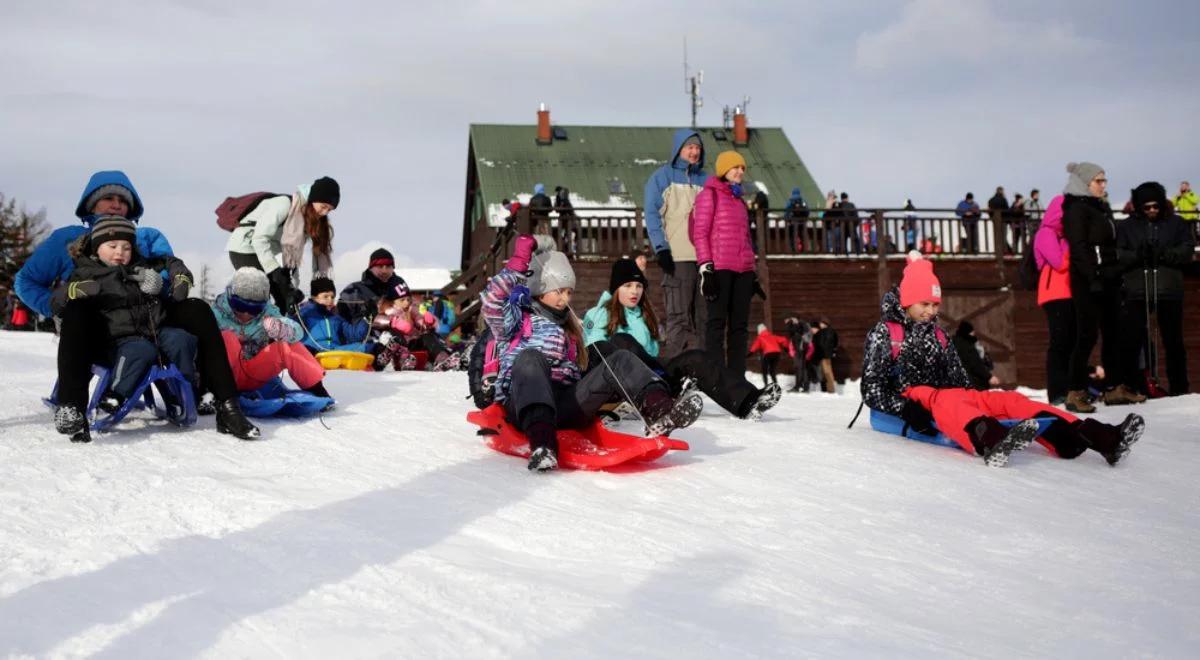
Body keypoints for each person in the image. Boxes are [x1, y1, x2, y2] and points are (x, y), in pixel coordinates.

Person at [14, 170, 258, 441]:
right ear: (90, 204)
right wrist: (57, 310)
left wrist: (161, 285)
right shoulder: (66, 239)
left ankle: (227, 406)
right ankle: (72, 407)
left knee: (197, 308)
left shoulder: (147, 237)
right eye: (107, 197)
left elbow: (171, 279)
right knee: (78, 310)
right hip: (95, 328)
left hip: (147, 320)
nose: (116, 204)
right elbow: (26, 282)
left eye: (123, 199)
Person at [861, 252, 1144, 467]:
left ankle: (1086, 435)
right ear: (907, 301)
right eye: (925, 304)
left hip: (951, 398)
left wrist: (984, 402)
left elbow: (961, 381)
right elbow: (871, 388)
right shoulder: (886, 333)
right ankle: (988, 438)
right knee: (947, 400)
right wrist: (907, 409)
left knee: (1008, 400)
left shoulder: (939, 335)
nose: (931, 311)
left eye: (935, 305)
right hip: (915, 398)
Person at [482, 236, 702, 472]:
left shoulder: (569, 327)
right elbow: (493, 300)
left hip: (565, 406)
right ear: (539, 289)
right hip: (524, 405)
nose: (565, 299)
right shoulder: (516, 321)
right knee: (531, 358)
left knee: (620, 359)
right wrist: (518, 263)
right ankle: (543, 446)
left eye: (568, 292)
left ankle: (660, 411)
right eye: (558, 291)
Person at [51, 217, 198, 437]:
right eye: (112, 246)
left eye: (126, 247)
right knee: (140, 350)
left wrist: (180, 278)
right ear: (95, 248)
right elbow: (56, 301)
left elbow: (170, 261)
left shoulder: (140, 266)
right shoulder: (86, 272)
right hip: (118, 338)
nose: (120, 252)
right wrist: (74, 291)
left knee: (181, 338)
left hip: (155, 330)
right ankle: (114, 395)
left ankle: (185, 392)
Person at [582, 258, 781, 421]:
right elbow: (596, 352)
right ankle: (659, 394)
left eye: (638, 285)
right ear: (616, 288)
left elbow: (651, 354)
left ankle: (748, 402)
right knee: (621, 341)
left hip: (654, 375)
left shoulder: (642, 315)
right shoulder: (599, 313)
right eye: (627, 286)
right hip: (624, 382)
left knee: (696, 358)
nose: (635, 291)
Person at [1061, 162, 1130, 412]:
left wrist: (1114, 271)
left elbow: (1108, 245)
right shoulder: (1076, 209)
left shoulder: (1100, 207)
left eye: (1104, 180)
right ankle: (1075, 391)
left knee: (1114, 332)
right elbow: (1079, 247)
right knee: (1087, 335)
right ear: (1084, 182)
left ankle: (1114, 388)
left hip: (1108, 277)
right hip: (1088, 281)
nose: (1103, 185)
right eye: (1098, 181)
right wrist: (1093, 277)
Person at [1115, 181, 1194, 396]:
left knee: (1173, 341)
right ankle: (1134, 385)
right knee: (1133, 340)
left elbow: (1187, 249)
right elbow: (1118, 254)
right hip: (1137, 289)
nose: (1152, 211)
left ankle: (1180, 388)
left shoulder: (1176, 223)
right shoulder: (1127, 226)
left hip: (1168, 289)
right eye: (1147, 207)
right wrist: (1138, 255)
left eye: (1155, 206)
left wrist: (1166, 254)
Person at [213, 268, 334, 407]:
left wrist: (282, 329)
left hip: (254, 371)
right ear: (230, 297)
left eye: (254, 309)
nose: (246, 314)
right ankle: (215, 396)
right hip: (224, 376)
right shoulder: (216, 314)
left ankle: (317, 389)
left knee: (287, 346)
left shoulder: (268, 313)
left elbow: (297, 331)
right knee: (227, 338)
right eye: (240, 306)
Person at [690, 150, 759, 376]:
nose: (740, 171)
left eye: (742, 168)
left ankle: (737, 379)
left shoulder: (739, 201)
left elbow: (747, 239)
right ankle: (717, 377)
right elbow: (700, 233)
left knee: (739, 327)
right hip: (720, 269)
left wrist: (753, 272)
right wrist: (706, 268)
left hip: (743, 271)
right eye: (735, 167)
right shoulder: (709, 195)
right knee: (716, 323)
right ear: (723, 170)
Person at [226, 176, 340, 311]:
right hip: (245, 246)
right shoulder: (284, 205)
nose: (325, 212)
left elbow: (294, 258)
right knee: (259, 293)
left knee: (285, 300)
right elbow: (259, 238)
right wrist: (274, 270)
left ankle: (276, 329)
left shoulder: (308, 219)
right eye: (324, 206)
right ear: (314, 198)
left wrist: (292, 288)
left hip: (267, 251)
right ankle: (253, 328)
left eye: (329, 210)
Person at [643, 130, 708, 359]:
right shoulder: (662, 178)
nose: (694, 151)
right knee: (678, 317)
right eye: (689, 147)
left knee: (704, 318)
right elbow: (652, 215)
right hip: (677, 257)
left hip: (705, 259)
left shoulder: (707, 181)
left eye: (697, 147)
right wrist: (661, 248)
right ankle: (674, 371)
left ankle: (704, 372)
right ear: (679, 149)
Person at [1032, 195, 1075, 405]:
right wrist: (1072, 246)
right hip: (1054, 295)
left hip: (1070, 293)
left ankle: (1071, 389)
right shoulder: (1045, 233)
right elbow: (1058, 262)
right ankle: (1057, 392)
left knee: (1071, 342)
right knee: (1059, 343)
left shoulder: (1064, 235)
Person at [372, 281, 454, 371]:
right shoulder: (387, 312)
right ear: (392, 302)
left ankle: (441, 358)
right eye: (402, 300)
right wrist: (393, 322)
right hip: (396, 347)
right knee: (394, 334)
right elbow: (375, 320)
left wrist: (426, 322)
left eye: (408, 299)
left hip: (411, 344)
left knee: (428, 336)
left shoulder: (412, 311)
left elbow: (419, 321)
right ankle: (401, 359)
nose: (406, 302)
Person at [296, 277, 370, 354]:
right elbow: (290, 328)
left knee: (364, 346)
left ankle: (380, 355)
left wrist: (366, 318)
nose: (330, 300)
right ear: (314, 297)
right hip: (312, 351)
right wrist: (292, 312)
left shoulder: (336, 318)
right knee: (306, 349)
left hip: (333, 352)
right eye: (325, 296)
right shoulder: (305, 313)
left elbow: (354, 335)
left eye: (332, 297)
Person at [336, 248, 409, 323]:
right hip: (364, 333)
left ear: (393, 268)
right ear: (371, 268)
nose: (384, 271)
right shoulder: (354, 290)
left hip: (400, 333)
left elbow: (411, 310)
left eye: (388, 266)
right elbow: (340, 320)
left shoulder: (399, 286)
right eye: (380, 266)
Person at [952, 321, 999, 390]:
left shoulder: (952, 344)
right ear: (968, 332)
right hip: (973, 384)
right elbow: (975, 364)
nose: (974, 333)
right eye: (972, 331)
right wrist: (989, 377)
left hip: (956, 384)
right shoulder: (967, 346)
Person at [749, 324, 787, 388]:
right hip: (777, 353)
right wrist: (786, 348)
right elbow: (784, 339)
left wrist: (750, 353)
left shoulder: (760, 337)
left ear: (759, 331)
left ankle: (766, 385)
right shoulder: (772, 336)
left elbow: (755, 346)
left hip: (768, 354)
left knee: (764, 370)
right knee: (772, 370)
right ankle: (775, 385)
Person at [783, 316, 812, 392]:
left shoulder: (801, 324)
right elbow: (791, 333)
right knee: (800, 368)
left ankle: (801, 387)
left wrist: (795, 324)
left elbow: (800, 333)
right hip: (798, 349)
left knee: (800, 368)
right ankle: (801, 386)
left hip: (801, 349)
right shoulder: (797, 324)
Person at [812, 317, 839, 393]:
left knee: (827, 372)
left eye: (821, 323)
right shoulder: (823, 332)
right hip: (823, 355)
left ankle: (831, 390)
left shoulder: (828, 332)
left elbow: (827, 344)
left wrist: (830, 352)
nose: (820, 324)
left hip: (825, 355)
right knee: (824, 373)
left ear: (825, 324)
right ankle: (825, 389)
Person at [784, 188, 809, 253]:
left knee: (792, 236)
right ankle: (802, 250)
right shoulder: (803, 201)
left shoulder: (790, 201)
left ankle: (793, 249)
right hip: (802, 222)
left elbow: (786, 211)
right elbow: (807, 211)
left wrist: (787, 219)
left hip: (792, 222)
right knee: (801, 236)